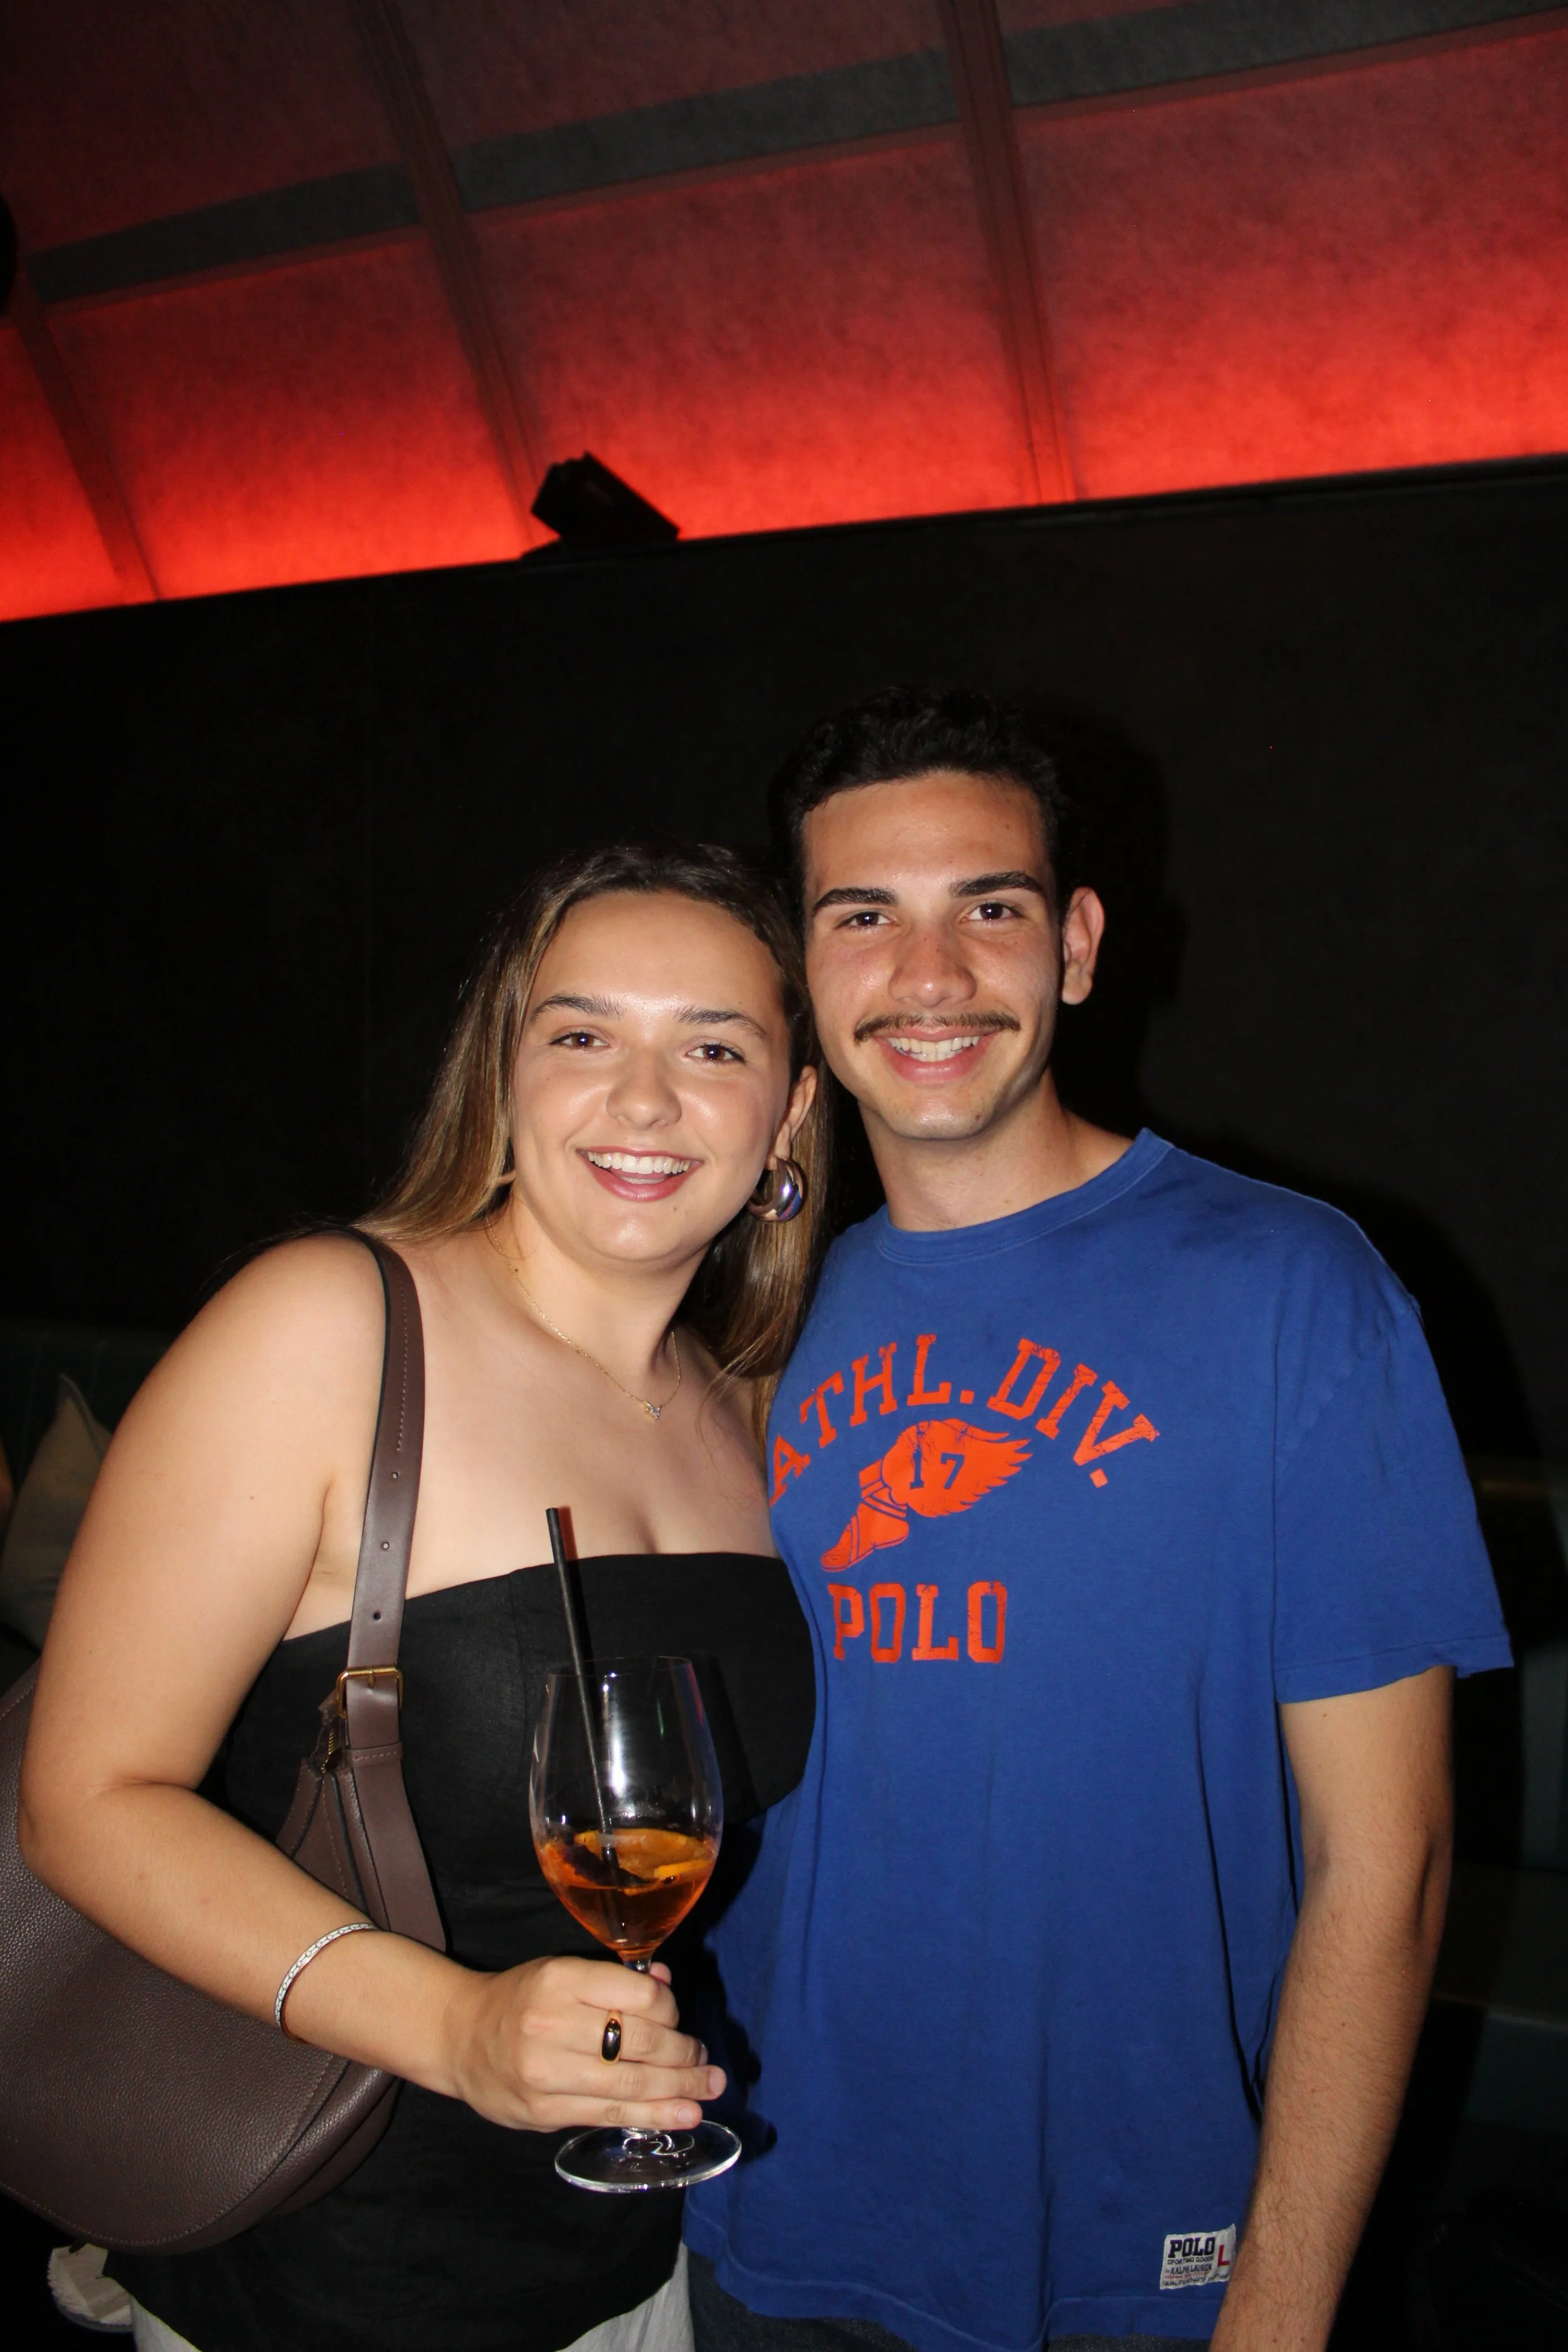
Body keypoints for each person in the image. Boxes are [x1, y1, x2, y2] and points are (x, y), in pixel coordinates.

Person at [684, 688, 1510, 2352]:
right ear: (801, 973)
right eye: (863, 916)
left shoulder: (1292, 1290)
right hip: (777, 2207)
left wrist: (1277, 2308)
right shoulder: (754, 1322)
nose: (928, 974)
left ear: (1072, 946)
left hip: (1150, 2245)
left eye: (986, 908)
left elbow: (1386, 1862)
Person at [20, 842, 830, 2352]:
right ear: (503, 1072)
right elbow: (88, 1800)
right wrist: (455, 2029)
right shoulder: (329, 1327)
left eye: (712, 1049)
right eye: (581, 1035)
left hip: (634, 2267)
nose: (642, 1101)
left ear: (787, 1112)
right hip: (319, 2268)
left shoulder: (751, 1410)